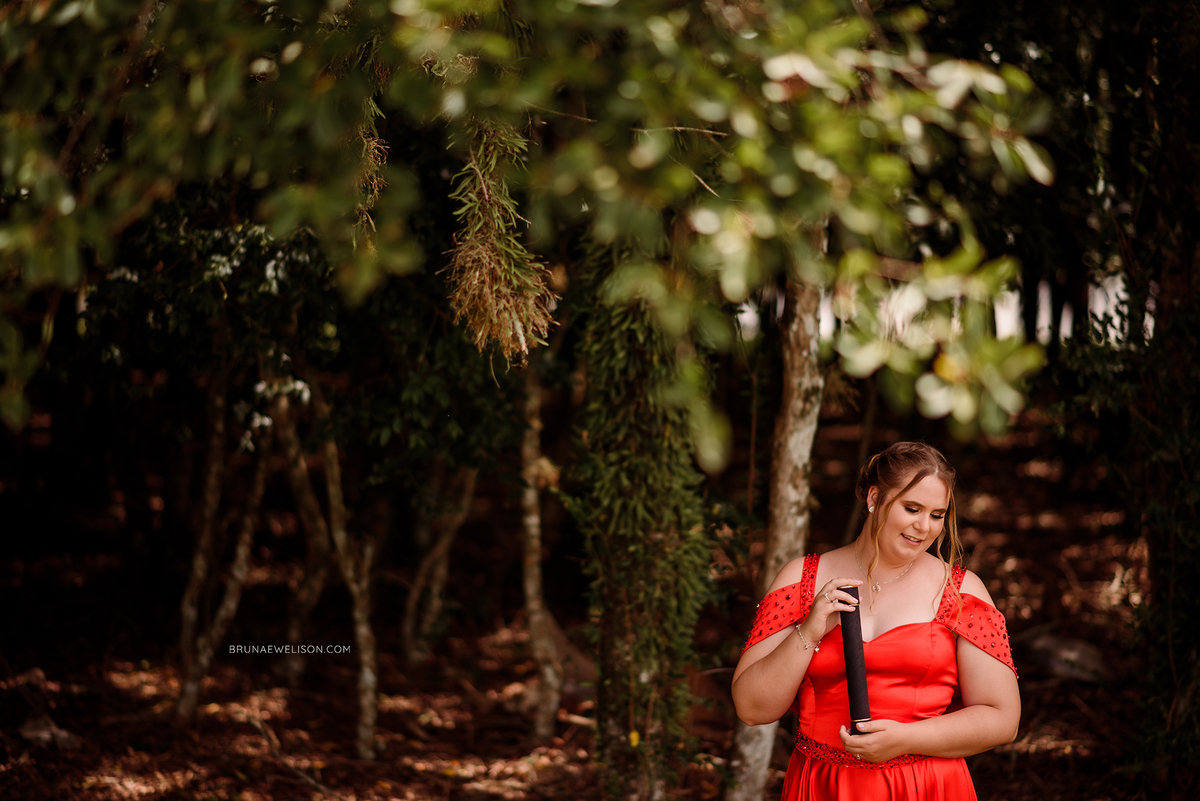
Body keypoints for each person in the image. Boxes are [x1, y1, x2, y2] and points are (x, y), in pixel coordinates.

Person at [732, 441, 1020, 800]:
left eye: (936, 514)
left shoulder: (960, 590)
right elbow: (751, 708)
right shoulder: (803, 579)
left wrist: (906, 739)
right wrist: (808, 631)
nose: (924, 527)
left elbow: (1002, 719)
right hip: (824, 786)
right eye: (911, 508)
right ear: (874, 498)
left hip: (925, 785)